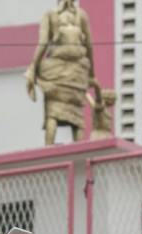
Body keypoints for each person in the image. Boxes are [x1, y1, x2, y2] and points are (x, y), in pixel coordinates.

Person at [25, 0, 98, 145]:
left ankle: (49, 150)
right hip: (76, 72)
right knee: (77, 118)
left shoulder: (51, 15)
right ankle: (79, 150)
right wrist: (92, 74)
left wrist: (33, 67)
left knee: (53, 114)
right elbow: (89, 45)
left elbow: (43, 43)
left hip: (59, 71)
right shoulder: (80, 15)